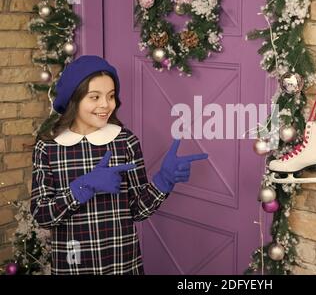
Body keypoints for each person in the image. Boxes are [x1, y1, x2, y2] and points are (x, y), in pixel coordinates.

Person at [31, 55, 208, 274]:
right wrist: (82, 187)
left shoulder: (125, 142)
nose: (106, 105)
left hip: (122, 264)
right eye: (94, 97)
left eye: (111, 96)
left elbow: (137, 211)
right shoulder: (49, 148)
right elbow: (42, 215)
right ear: (73, 99)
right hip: (73, 265)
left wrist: (163, 181)